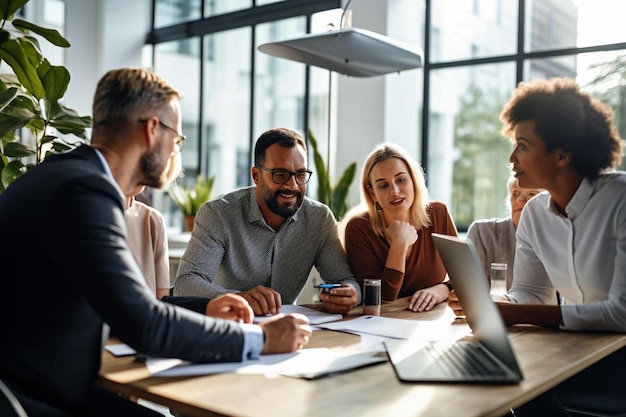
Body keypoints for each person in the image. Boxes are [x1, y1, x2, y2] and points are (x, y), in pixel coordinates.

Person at [0, 68, 311, 417]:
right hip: (27, 399)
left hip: (34, 385)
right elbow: (144, 325)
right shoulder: (83, 191)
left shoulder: (58, 176)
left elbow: (123, 305)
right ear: (151, 130)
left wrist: (206, 309)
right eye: (177, 140)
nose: (174, 151)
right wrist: (262, 340)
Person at [449, 77, 626, 416]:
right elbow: (530, 292)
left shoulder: (620, 200)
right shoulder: (533, 214)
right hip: (574, 353)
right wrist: (487, 304)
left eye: (523, 146)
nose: (512, 158)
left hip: (618, 361)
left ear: (561, 154)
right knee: (484, 379)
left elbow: (621, 313)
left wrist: (516, 313)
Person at [174, 127, 360, 316]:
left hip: (288, 330)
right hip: (228, 328)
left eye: (301, 175)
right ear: (256, 176)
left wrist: (350, 293)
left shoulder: (319, 219)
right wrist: (242, 298)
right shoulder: (218, 214)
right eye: (280, 175)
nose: (293, 185)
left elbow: (346, 280)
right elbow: (185, 284)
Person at [340, 143, 458, 313]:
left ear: (414, 181)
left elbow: (464, 277)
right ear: (372, 193)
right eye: (383, 185)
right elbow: (382, 298)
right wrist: (399, 245)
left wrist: (442, 289)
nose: (394, 191)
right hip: (381, 323)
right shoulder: (359, 228)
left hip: (431, 320)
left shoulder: (438, 213)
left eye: (401, 180)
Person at [466, 174, 542, 290]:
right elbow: (471, 291)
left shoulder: (558, 237)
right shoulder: (481, 233)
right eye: (515, 193)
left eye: (531, 194)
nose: (520, 199)